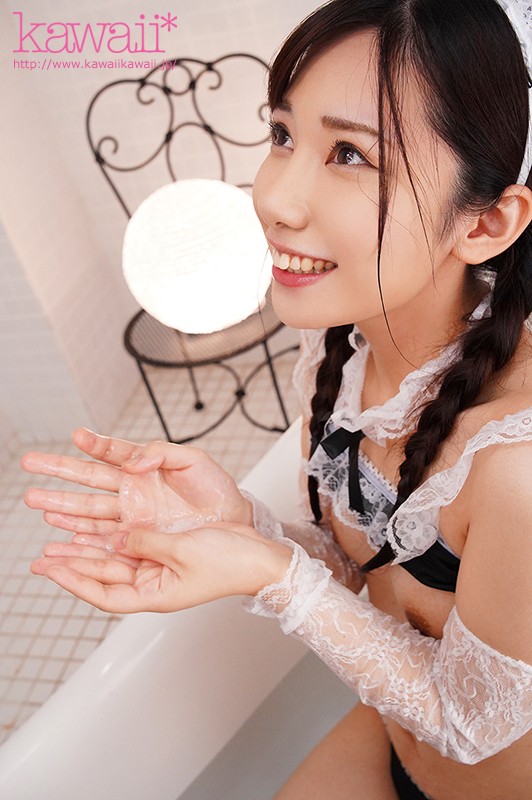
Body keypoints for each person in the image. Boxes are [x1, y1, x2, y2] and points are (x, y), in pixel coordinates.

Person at [21, 1, 532, 797]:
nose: (274, 198)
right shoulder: (339, 347)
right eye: (284, 135)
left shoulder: (513, 465)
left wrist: (271, 573)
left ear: (488, 221)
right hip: (391, 740)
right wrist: (240, 523)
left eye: (351, 154)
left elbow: (469, 723)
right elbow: (362, 567)